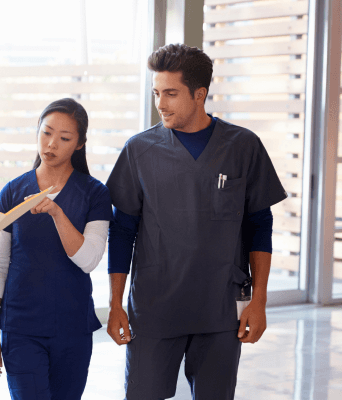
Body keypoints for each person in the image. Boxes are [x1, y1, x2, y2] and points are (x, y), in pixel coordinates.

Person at [106, 43, 288, 399]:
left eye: (171, 93)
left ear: (199, 94)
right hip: (156, 308)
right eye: (157, 92)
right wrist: (115, 303)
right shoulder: (139, 151)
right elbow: (122, 229)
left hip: (220, 310)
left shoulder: (243, 146)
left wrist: (260, 300)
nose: (160, 103)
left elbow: (259, 225)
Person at [0, 98, 112, 400]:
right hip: (21, 327)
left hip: (73, 328)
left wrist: (56, 213)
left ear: (79, 144)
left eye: (65, 138)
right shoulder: (13, 191)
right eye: (46, 133)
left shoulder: (95, 193)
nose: (51, 144)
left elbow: (88, 260)